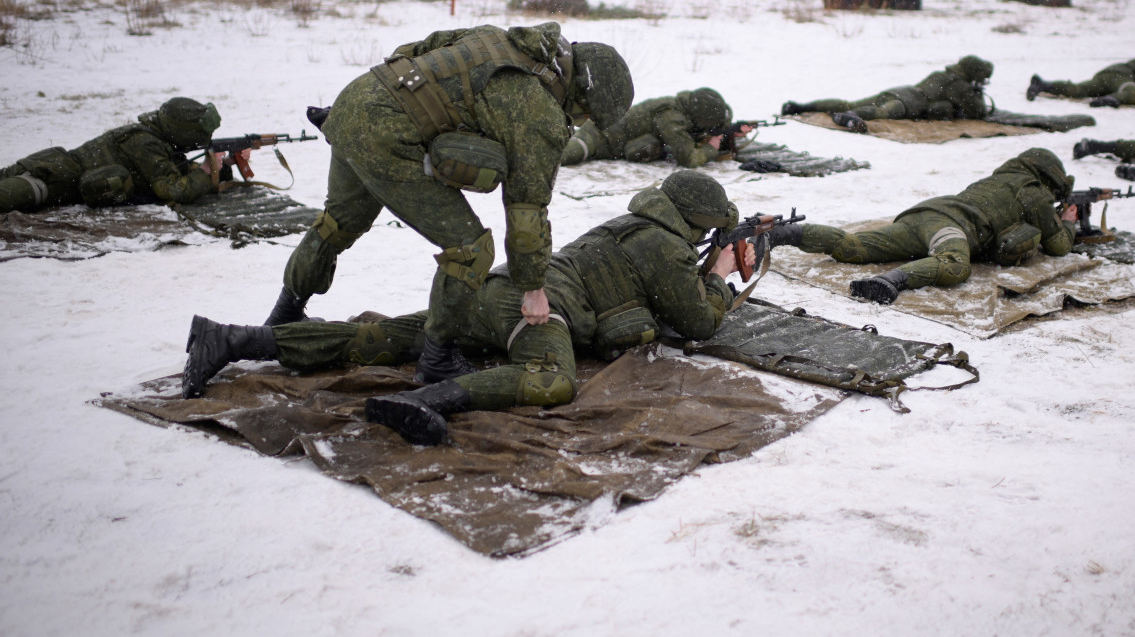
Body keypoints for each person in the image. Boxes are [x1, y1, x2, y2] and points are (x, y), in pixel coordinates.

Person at [187, 170, 752, 446]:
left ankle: (232, 340)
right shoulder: (666, 248)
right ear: (700, 223)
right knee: (554, 380)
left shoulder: (636, 227)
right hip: (537, 307)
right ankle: (420, 399)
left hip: (492, 287)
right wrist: (724, 276)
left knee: (385, 337)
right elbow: (698, 321)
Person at [259, 23, 634, 386]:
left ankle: (284, 313)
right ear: (580, 95)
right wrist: (533, 287)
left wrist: (367, 110)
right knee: (470, 250)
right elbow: (527, 212)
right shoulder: (539, 113)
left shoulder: (500, 39)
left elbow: (416, 51)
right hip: (387, 134)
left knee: (337, 223)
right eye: (585, 115)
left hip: (357, 99)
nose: (579, 121)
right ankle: (438, 357)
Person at [765, 148, 1078, 304]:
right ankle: (892, 281)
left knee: (854, 246)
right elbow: (1059, 246)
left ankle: (785, 233)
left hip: (924, 213)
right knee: (955, 264)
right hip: (952, 226)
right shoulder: (1036, 195)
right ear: (1050, 179)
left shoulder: (1000, 178)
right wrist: (1068, 222)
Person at [0, 97, 224, 213]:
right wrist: (206, 172)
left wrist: (223, 165)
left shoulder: (157, 139)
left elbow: (176, 171)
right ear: (182, 132)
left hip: (54, 166)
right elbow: (173, 190)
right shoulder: (145, 142)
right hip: (52, 179)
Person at [779, 55, 994, 133]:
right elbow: (978, 111)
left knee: (847, 102)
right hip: (908, 104)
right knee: (881, 112)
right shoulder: (959, 86)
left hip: (900, 91)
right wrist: (976, 93)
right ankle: (853, 116)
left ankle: (802, 107)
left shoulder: (941, 74)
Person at [560, 86, 744, 167]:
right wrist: (710, 149)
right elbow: (688, 158)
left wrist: (729, 132)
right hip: (596, 138)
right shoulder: (671, 118)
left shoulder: (684, 110)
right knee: (561, 156)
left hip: (606, 137)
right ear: (702, 118)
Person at [1027, 43, 1135, 107]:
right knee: (1133, 95)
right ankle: (1111, 99)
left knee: (1079, 89)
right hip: (1123, 78)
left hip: (1110, 71)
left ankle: (1043, 85)